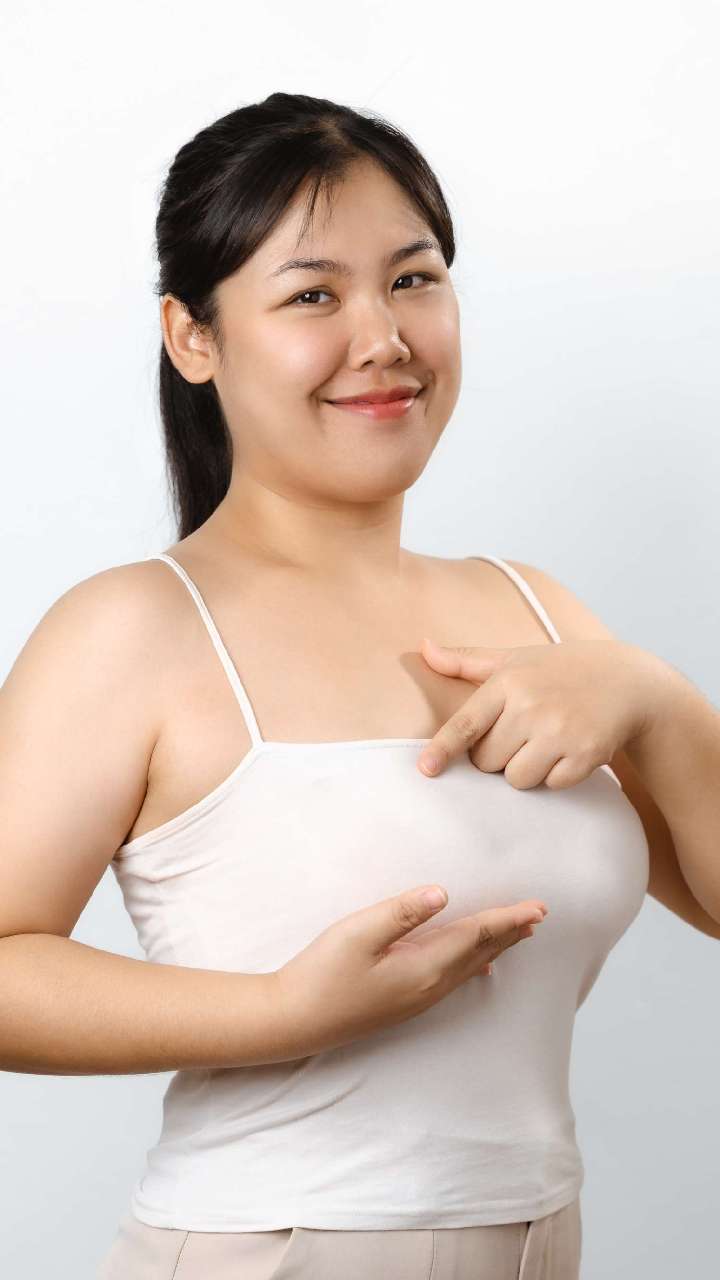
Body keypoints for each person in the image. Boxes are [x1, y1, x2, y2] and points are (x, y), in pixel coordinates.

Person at [2, 92, 653, 1280]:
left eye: (413, 278)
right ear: (193, 337)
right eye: (313, 295)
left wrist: (654, 695)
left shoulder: (538, 608)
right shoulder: (134, 629)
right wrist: (284, 1011)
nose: (384, 336)